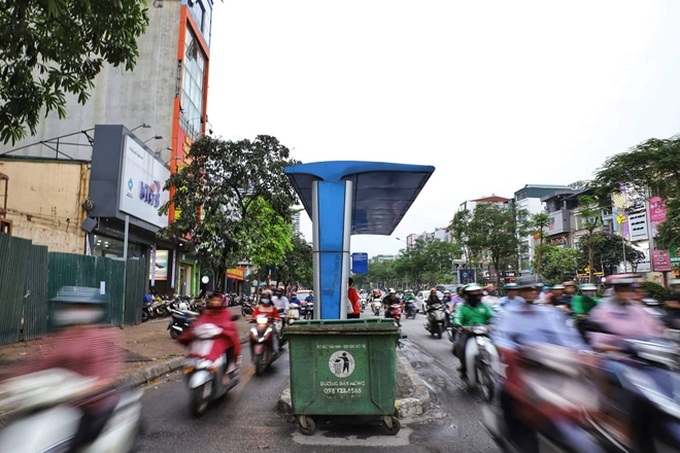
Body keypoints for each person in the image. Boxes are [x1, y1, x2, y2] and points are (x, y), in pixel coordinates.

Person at [21, 286, 124, 453]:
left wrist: (81, 390)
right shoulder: (62, 337)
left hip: (93, 406)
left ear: (92, 310)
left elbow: (105, 377)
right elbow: (42, 365)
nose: (73, 310)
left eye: (79, 306)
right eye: (69, 306)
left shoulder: (104, 338)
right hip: (60, 405)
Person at [178, 291, 241, 373]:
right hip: (205, 339)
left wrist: (223, 330)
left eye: (217, 300)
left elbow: (229, 328)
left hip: (220, 339)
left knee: (231, 343)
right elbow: (199, 323)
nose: (215, 302)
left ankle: (229, 368)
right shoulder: (205, 313)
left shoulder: (226, 313)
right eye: (213, 300)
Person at [452, 283, 494, 374]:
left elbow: (492, 316)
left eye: (477, 293)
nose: (475, 296)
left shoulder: (484, 306)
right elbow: (457, 318)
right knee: (459, 347)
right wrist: (460, 325)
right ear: (466, 295)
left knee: (498, 344)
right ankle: (463, 365)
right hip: (467, 333)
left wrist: (493, 323)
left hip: (483, 332)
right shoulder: (462, 307)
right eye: (472, 294)